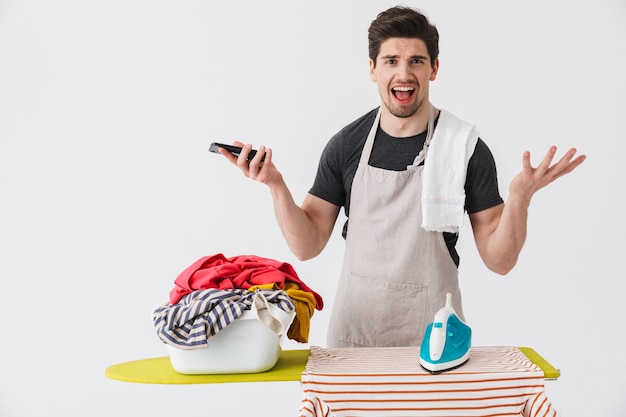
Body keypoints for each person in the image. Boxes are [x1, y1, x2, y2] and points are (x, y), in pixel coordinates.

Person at [216, 6, 586, 348]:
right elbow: (308, 243)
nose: (403, 73)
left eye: (416, 61)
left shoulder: (464, 147)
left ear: (434, 68)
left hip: (436, 339)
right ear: (373, 69)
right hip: (355, 336)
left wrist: (519, 198)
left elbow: (500, 260)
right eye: (391, 60)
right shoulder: (346, 145)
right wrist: (276, 186)